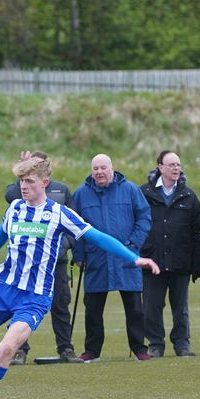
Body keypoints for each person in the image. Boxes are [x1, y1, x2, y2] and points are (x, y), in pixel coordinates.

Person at [0, 155, 160, 399]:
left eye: (30, 181)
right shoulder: (14, 209)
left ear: (44, 183)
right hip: (2, 290)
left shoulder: (59, 213)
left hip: (34, 298)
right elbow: (0, 233)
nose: (23, 186)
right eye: (21, 180)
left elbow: (98, 237)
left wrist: (133, 258)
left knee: (7, 348)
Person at [71, 154, 151, 362]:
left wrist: (133, 244)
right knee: (93, 309)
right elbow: (74, 228)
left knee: (135, 307)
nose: (99, 172)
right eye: (95, 168)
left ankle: (139, 348)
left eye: (103, 168)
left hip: (127, 256)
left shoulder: (130, 190)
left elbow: (144, 217)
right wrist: (79, 254)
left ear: (112, 169)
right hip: (96, 259)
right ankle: (92, 351)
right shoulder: (81, 194)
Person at [3, 151, 82, 364]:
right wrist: (20, 172)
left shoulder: (61, 189)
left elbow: (73, 227)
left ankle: (66, 348)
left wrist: (59, 247)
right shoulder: (22, 189)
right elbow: (10, 195)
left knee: (60, 304)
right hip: (26, 265)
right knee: (19, 306)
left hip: (57, 262)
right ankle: (19, 350)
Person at [140, 151, 200, 357]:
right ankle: (156, 344)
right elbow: (137, 225)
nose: (176, 168)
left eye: (178, 164)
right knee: (152, 307)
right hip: (153, 260)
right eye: (171, 165)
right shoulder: (144, 193)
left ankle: (182, 344)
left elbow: (198, 231)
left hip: (180, 261)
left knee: (181, 308)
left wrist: (197, 263)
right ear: (160, 167)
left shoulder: (189, 196)